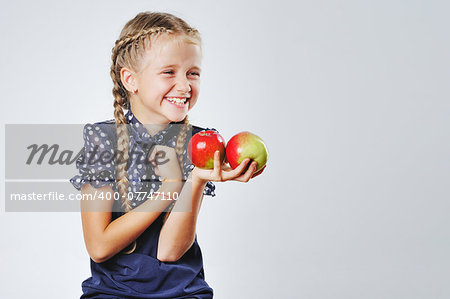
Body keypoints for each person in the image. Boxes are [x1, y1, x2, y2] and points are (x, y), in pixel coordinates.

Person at [69, 11, 265, 299]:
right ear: (130, 79)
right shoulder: (104, 141)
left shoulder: (198, 143)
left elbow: (170, 251)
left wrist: (196, 179)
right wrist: (169, 188)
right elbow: (99, 247)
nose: (185, 86)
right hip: (112, 293)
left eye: (193, 73)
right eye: (168, 72)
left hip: (182, 292)